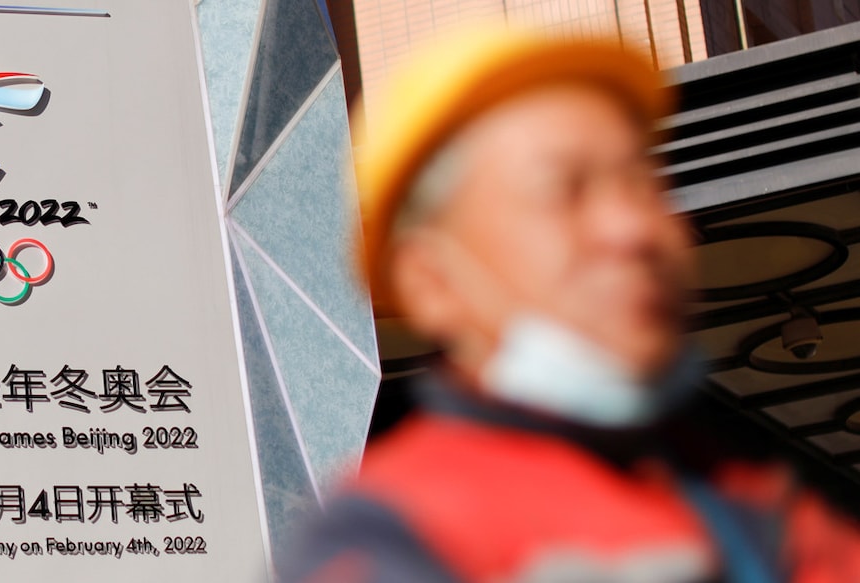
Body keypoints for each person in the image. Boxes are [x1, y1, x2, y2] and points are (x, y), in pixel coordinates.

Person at [279, 24, 860, 583]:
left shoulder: (754, 509)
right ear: (431, 279)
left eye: (644, 184)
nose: (632, 227)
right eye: (561, 190)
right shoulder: (392, 540)